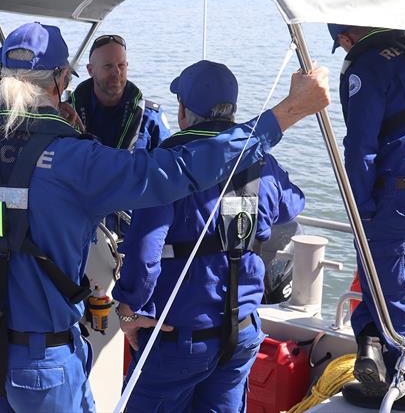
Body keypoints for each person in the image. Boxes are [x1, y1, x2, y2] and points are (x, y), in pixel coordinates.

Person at [0, 21, 329, 412]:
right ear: (60, 82)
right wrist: (284, 114)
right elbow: (175, 170)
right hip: (43, 364)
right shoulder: (77, 161)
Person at [112, 60, 306, 412]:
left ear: (183, 111)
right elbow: (292, 206)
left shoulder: (167, 164)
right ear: (231, 110)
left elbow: (145, 253)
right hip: (242, 335)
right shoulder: (260, 161)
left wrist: (127, 310)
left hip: (179, 339)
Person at [328, 24, 405, 410]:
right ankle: (374, 352)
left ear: (347, 37)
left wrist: (360, 207)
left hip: (394, 196)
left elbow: (360, 146)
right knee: (388, 282)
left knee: (392, 292)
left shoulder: (367, 65)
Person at [69, 34, 171, 150]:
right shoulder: (67, 113)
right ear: (91, 70)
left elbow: (166, 164)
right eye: (108, 66)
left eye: (121, 65)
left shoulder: (150, 117)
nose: (116, 73)